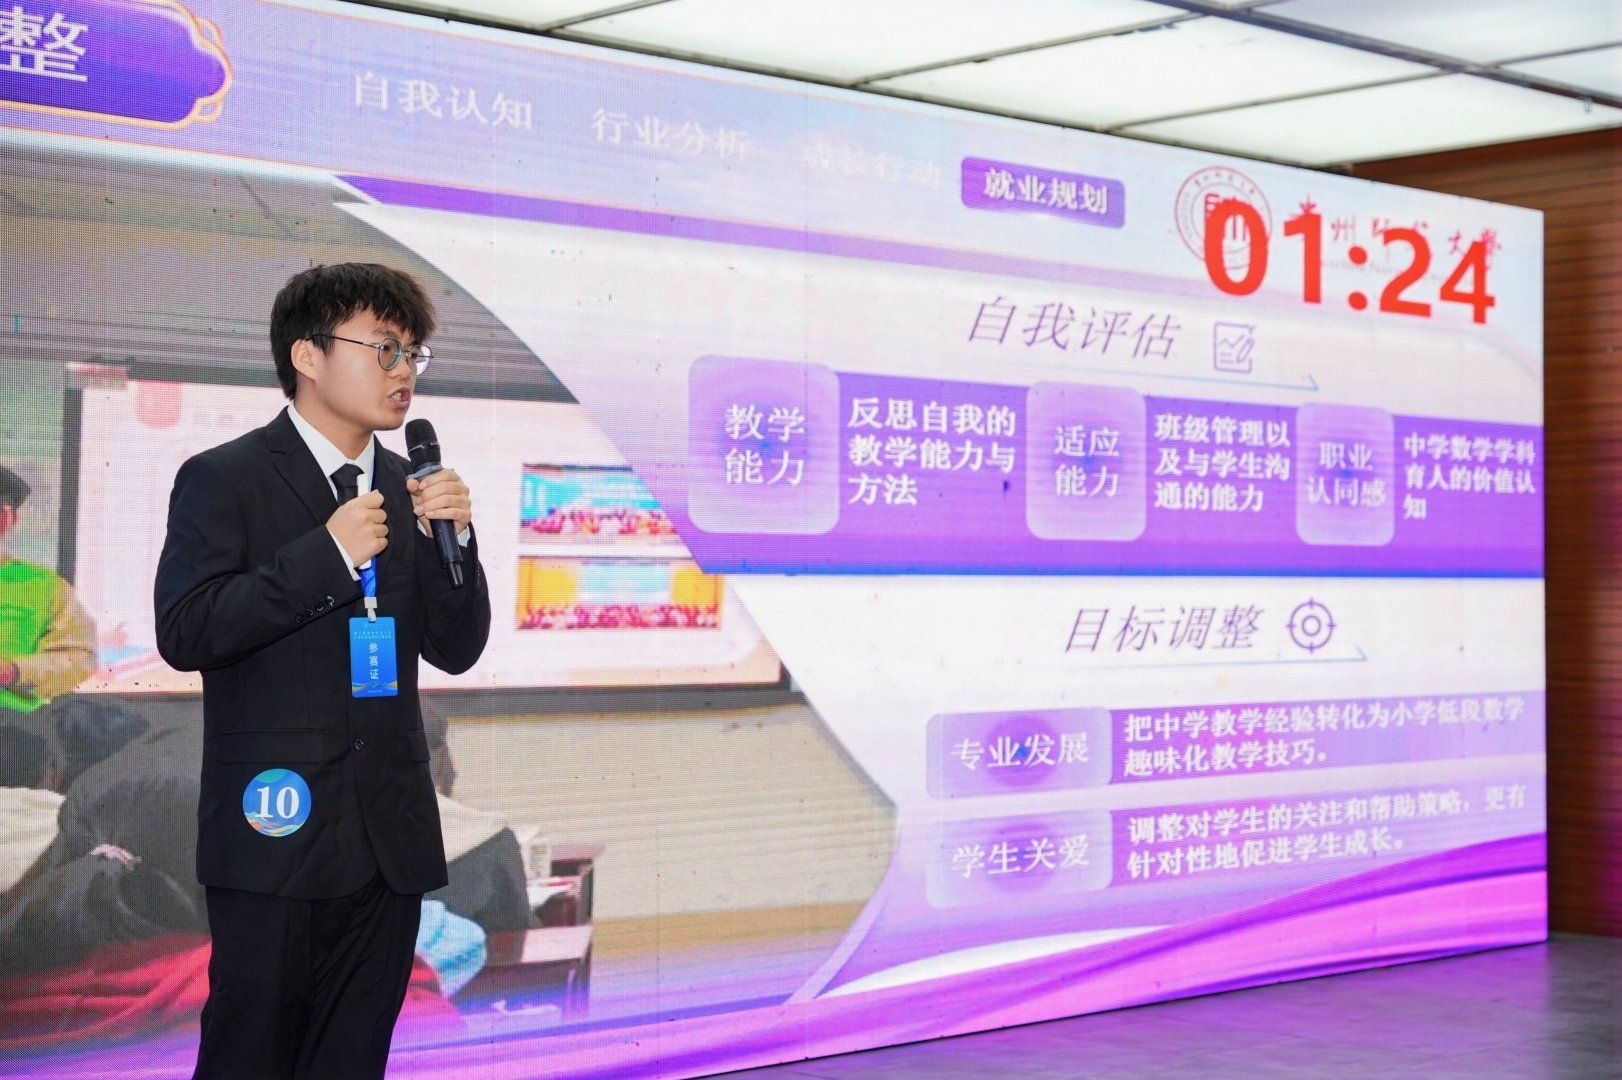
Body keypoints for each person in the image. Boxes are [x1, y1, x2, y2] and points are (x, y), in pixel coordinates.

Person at [153, 263, 491, 1080]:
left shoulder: (411, 489)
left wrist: (455, 543)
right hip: (275, 826)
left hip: (387, 836)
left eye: (413, 353)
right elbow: (187, 629)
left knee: (352, 1060)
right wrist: (328, 556)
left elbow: (456, 647)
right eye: (384, 349)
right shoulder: (225, 477)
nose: (404, 371)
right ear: (308, 355)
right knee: (250, 1057)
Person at [0, 465, 96, 715]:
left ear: (9, 520)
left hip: (14, 727)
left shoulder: (45, 586)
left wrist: (14, 671)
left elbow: (79, 658)